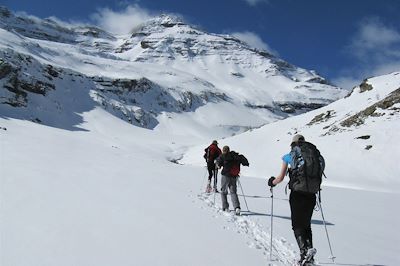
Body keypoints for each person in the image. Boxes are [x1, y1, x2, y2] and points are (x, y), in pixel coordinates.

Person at [268, 134, 324, 265]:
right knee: (306, 224)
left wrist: (272, 182)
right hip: (311, 194)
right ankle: (309, 252)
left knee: (297, 224)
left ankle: (304, 252)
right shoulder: (315, 155)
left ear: (293, 144)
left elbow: (280, 178)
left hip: (297, 193)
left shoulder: (290, 155)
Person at [216, 146, 245, 215]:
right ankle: (237, 207)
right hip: (234, 176)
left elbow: (219, 166)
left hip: (225, 176)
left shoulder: (223, 156)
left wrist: (217, 164)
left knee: (223, 191)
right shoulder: (235, 156)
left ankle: (225, 207)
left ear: (224, 150)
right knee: (233, 192)